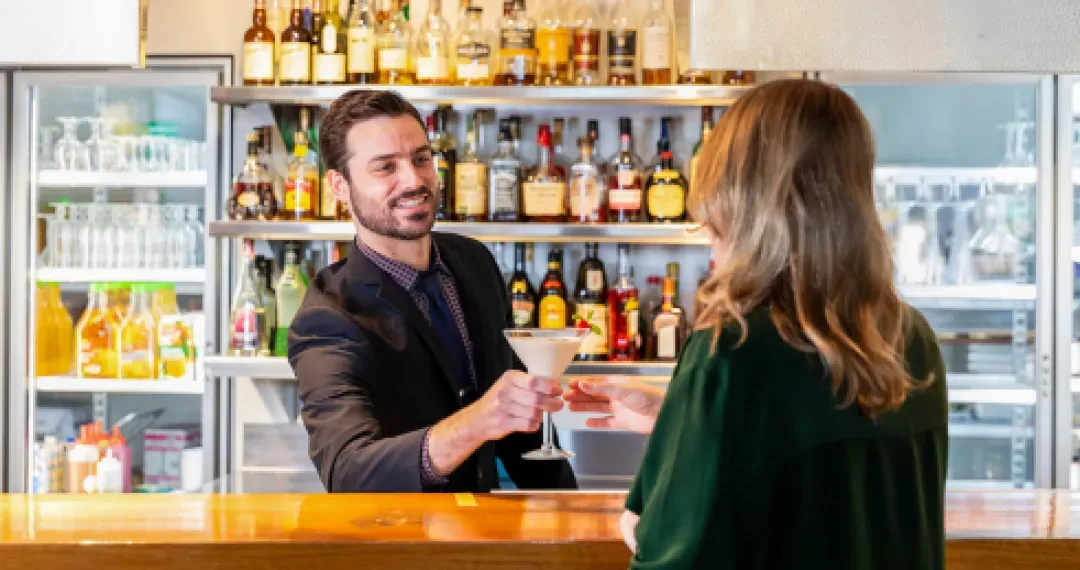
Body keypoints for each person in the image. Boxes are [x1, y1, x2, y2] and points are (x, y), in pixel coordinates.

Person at [566, 79, 947, 569]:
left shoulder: (735, 346)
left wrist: (643, 529)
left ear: (741, 198)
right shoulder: (911, 337)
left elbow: (679, 556)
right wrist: (679, 423)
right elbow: (832, 488)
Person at [288, 90, 576, 493]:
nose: (414, 180)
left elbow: (519, 425)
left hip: (481, 537)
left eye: (421, 159)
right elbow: (348, 471)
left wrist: (567, 523)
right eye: (386, 168)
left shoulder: (473, 261)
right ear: (339, 185)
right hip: (401, 544)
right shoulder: (329, 316)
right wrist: (476, 423)